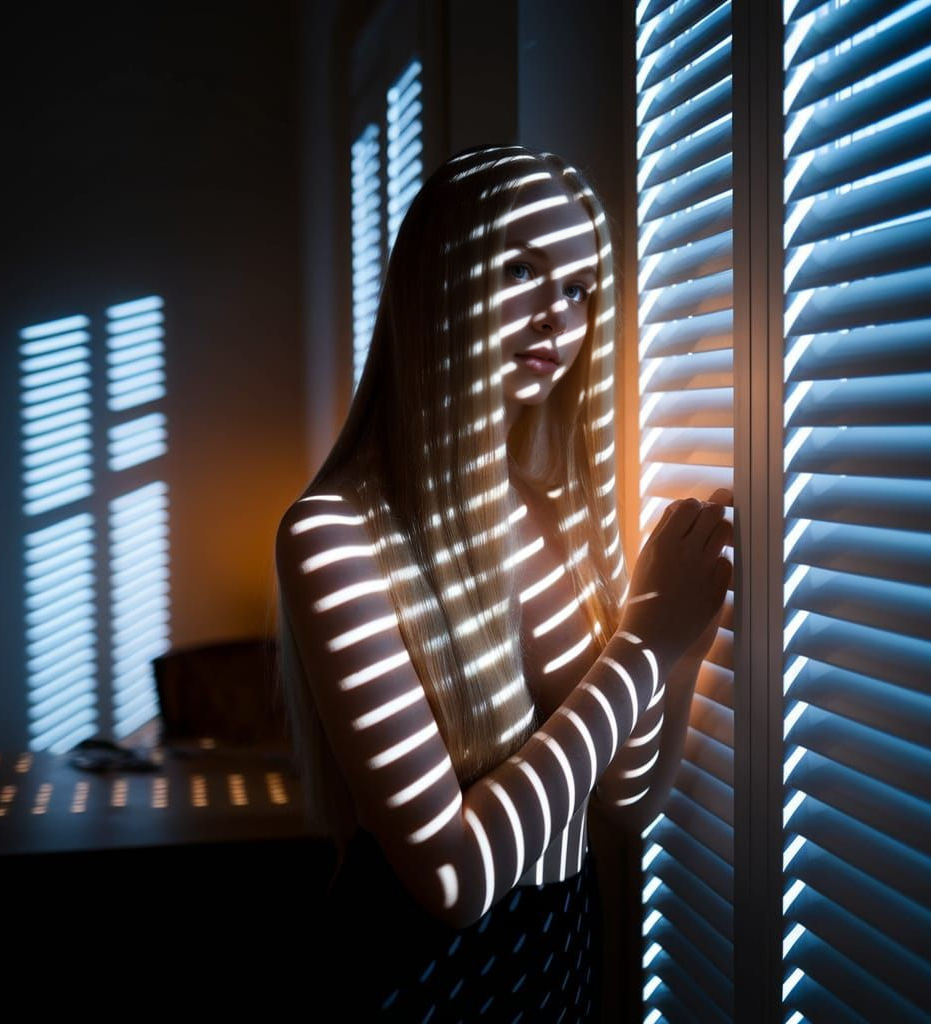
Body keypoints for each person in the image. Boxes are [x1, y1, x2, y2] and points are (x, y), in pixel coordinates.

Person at [274, 144, 733, 1021]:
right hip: (423, 977)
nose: (555, 316)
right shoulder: (335, 535)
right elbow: (451, 879)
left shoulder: (554, 514)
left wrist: (685, 636)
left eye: (578, 289)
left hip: (559, 952)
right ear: (434, 282)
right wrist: (646, 646)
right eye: (521, 269)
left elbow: (628, 796)